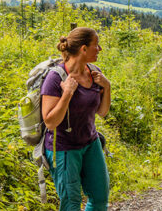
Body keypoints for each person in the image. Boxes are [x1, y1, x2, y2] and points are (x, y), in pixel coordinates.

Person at [41, 27, 111, 211]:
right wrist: (67, 94)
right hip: (64, 148)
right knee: (71, 205)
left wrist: (107, 86)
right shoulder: (55, 78)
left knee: (100, 199)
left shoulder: (95, 73)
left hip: (90, 143)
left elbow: (102, 112)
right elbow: (50, 122)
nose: (100, 49)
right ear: (83, 49)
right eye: (96, 45)